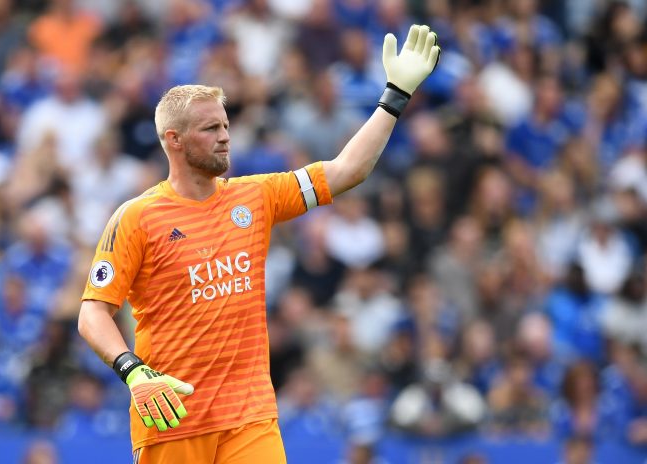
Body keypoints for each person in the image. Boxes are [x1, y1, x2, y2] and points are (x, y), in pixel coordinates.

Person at [78, 24, 440, 463]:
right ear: (173, 140)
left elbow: (347, 171)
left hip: (250, 416)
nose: (225, 136)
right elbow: (93, 312)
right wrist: (134, 373)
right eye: (210, 128)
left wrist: (395, 95)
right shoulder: (137, 217)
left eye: (226, 125)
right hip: (173, 418)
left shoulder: (257, 195)